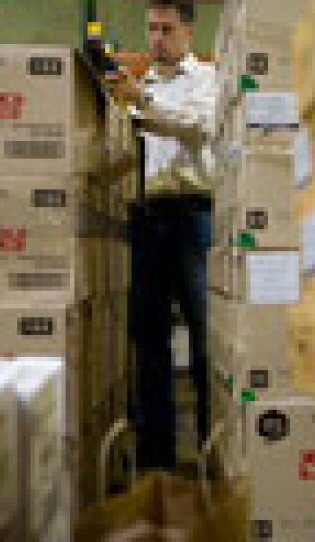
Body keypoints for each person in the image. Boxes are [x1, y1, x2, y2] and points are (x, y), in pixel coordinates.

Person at [106, 0, 218, 472]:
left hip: (193, 215)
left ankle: (215, 452)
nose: (157, 39)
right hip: (147, 217)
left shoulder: (206, 79)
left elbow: (198, 128)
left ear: (188, 31)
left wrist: (143, 104)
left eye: (167, 29)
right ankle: (157, 465)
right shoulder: (141, 85)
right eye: (151, 29)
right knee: (149, 340)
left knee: (205, 335)